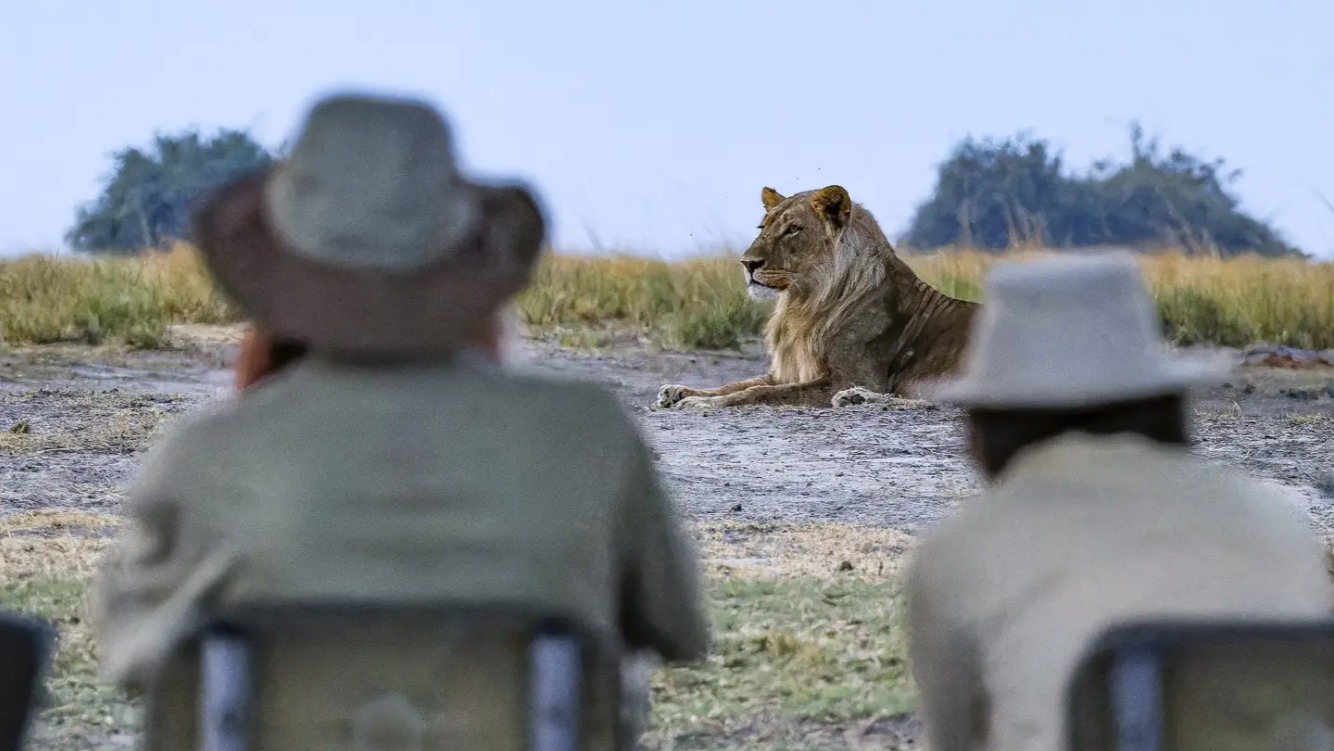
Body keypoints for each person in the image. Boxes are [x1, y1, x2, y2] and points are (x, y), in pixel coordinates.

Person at [89, 92, 710, 750]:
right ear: (465, 256)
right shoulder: (587, 433)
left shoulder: (206, 455)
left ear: (284, 264)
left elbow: (129, 653)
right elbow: (679, 628)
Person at [901, 252, 1333, 751]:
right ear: (1169, 404)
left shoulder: (960, 552)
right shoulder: (1278, 520)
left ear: (984, 424)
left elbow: (954, 738)